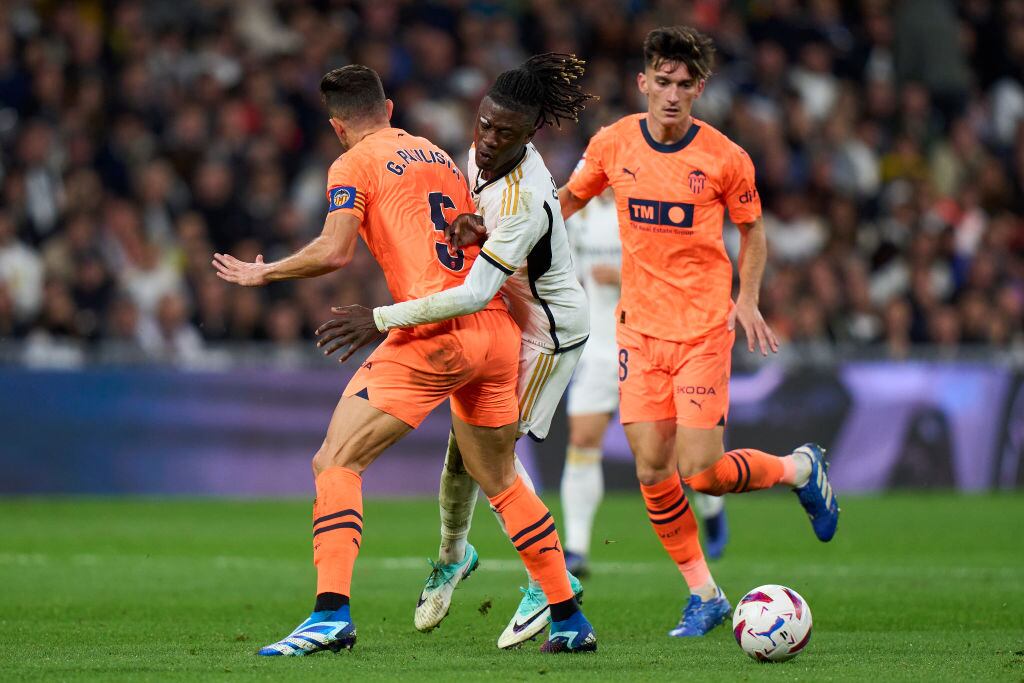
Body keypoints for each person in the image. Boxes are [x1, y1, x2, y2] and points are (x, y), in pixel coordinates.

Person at [213, 64, 593, 655]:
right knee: (499, 479)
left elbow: (336, 251)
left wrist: (267, 271)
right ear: (389, 110)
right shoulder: (439, 154)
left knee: (335, 461)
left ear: (340, 127)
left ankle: (330, 614)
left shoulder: (352, 163)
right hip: (498, 335)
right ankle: (569, 619)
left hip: (437, 332)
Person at [558, 26, 840, 638]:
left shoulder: (725, 157)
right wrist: (510, 239)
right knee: (652, 470)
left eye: (685, 85)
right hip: (636, 331)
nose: (672, 94)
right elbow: (568, 203)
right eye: (662, 82)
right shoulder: (612, 144)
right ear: (643, 82)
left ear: (699, 90)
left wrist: (748, 297)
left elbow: (754, 230)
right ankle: (705, 594)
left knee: (702, 473)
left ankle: (798, 469)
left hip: (702, 331)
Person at [560, 189, 729, 579]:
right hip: (597, 345)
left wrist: (622, 279)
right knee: (583, 440)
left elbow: (678, 278)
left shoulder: (647, 214)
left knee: (675, 449)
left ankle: (711, 507)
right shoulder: (575, 215)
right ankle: (577, 547)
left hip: (649, 341)